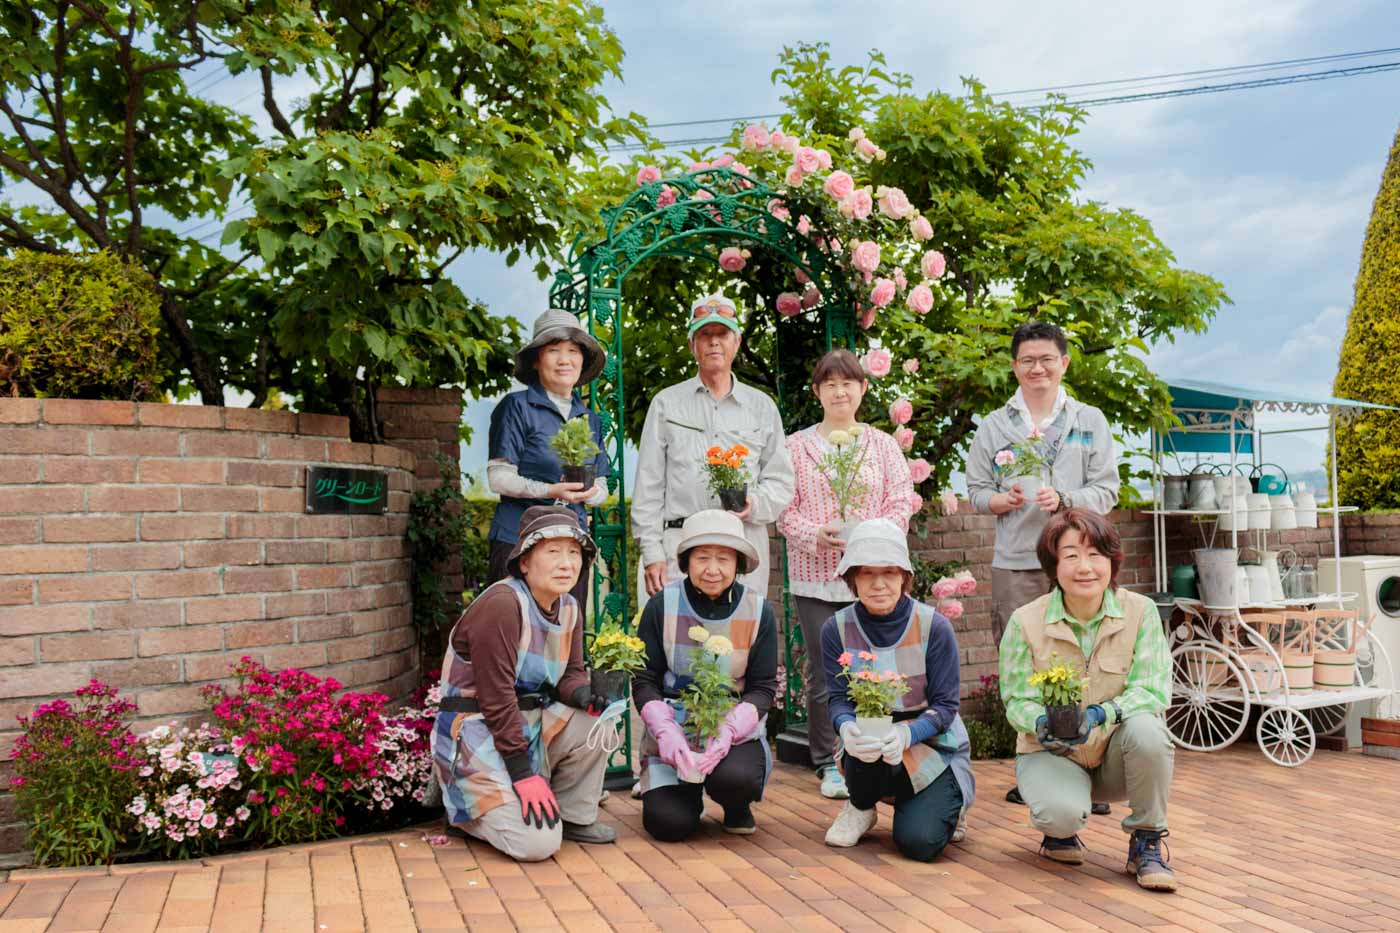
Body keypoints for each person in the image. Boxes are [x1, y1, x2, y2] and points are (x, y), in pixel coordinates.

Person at [965, 319, 1119, 808]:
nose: (1038, 368)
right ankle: (1034, 768)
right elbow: (974, 491)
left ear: (1064, 363)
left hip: (1077, 561)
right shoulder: (995, 425)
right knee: (1023, 662)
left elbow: (1108, 488)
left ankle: (1088, 770)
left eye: (1047, 359)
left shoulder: (1088, 421)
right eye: (1027, 360)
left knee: (1084, 658)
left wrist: (1069, 497)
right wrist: (999, 501)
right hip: (1015, 561)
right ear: (1015, 368)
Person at [999, 508, 1177, 892]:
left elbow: (1152, 689)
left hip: (1115, 753)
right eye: (1071, 555)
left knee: (1149, 729)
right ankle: (1059, 830)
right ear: (1053, 566)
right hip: (1053, 752)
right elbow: (1016, 698)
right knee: (1060, 816)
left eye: (1095, 554)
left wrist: (1100, 713)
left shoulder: (1140, 612)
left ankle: (1146, 841)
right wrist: (1040, 723)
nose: (1085, 567)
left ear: (1112, 561)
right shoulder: (1025, 621)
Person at [433, 506, 615, 862]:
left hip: (527, 725)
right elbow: (496, 697)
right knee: (538, 845)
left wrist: (583, 694)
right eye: (553, 552)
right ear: (525, 562)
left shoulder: (570, 608)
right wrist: (523, 775)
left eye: (574, 553)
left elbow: (570, 673)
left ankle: (572, 815)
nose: (567, 563)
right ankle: (464, 811)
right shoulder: (502, 604)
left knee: (598, 724)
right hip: (476, 731)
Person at [778, 349, 918, 800]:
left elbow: (901, 500)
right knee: (825, 670)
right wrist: (817, 535)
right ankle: (827, 761)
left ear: (862, 389)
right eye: (830, 384)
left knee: (879, 666)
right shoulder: (795, 446)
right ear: (817, 391)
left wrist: (870, 541)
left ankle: (878, 750)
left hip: (872, 577)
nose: (840, 391)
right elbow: (783, 510)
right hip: (814, 575)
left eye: (849, 383)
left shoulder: (882, 445)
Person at [819, 520, 975, 861]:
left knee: (919, 842)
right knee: (861, 746)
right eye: (867, 574)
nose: (878, 585)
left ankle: (942, 803)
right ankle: (860, 806)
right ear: (852, 578)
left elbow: (946, 707)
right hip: (869, 743)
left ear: (904, 576)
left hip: (933, 744)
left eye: (889, 572)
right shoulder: (836, 629)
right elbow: (839, 699)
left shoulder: (935, 626)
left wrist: (906, 734)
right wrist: (846, 727)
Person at [632, 292, 795, 599]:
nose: (714, 342)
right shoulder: (667, 404)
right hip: (678, 548)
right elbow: (649, 485)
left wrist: (754, 504)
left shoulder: (761, 407)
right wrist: (651, 552)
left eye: (722, 334)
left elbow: (781, 480)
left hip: (741, 545)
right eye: (704, 335)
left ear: (737, 341)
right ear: (693, 344)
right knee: (672, 641)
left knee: (740, 641)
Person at [633, 510, 779, 841]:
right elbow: (644, 680)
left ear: (738, 563)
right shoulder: (661, 606)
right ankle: (684, 793)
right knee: (668, 825)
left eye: (723, 559)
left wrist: (728, 730)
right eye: (702, 558)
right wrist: (665, 730)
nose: (712, 569)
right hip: (673, 727)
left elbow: (763, 688)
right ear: (685, 561)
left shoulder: (759, 611)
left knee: (736, 780)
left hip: (730, 726)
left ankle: (735, 804)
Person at [487, 308, 611, 611]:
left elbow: (603, 486)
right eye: (554, 350)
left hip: (571, 543)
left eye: (572, 351)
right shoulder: (516, 407)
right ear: (536, 359)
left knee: (565, 632)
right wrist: (550, 491)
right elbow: (498, 478)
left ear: (582, 361)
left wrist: (590, 493)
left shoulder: (589, 419)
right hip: (518, 543)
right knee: (513, 629)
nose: (564, 359)